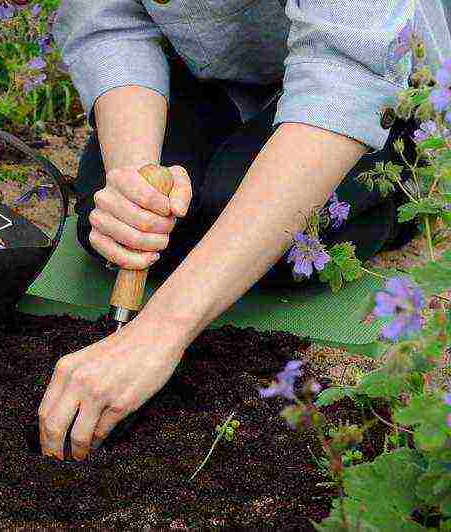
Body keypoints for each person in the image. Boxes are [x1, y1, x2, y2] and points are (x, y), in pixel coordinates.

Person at [36, 0, 451, 461]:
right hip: (209, 69)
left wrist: (156, 335)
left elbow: (345, 77)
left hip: (363, 73)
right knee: (117, 231)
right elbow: (109, 20)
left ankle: (403, 181)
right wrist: (135, 187)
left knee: (278, 251)